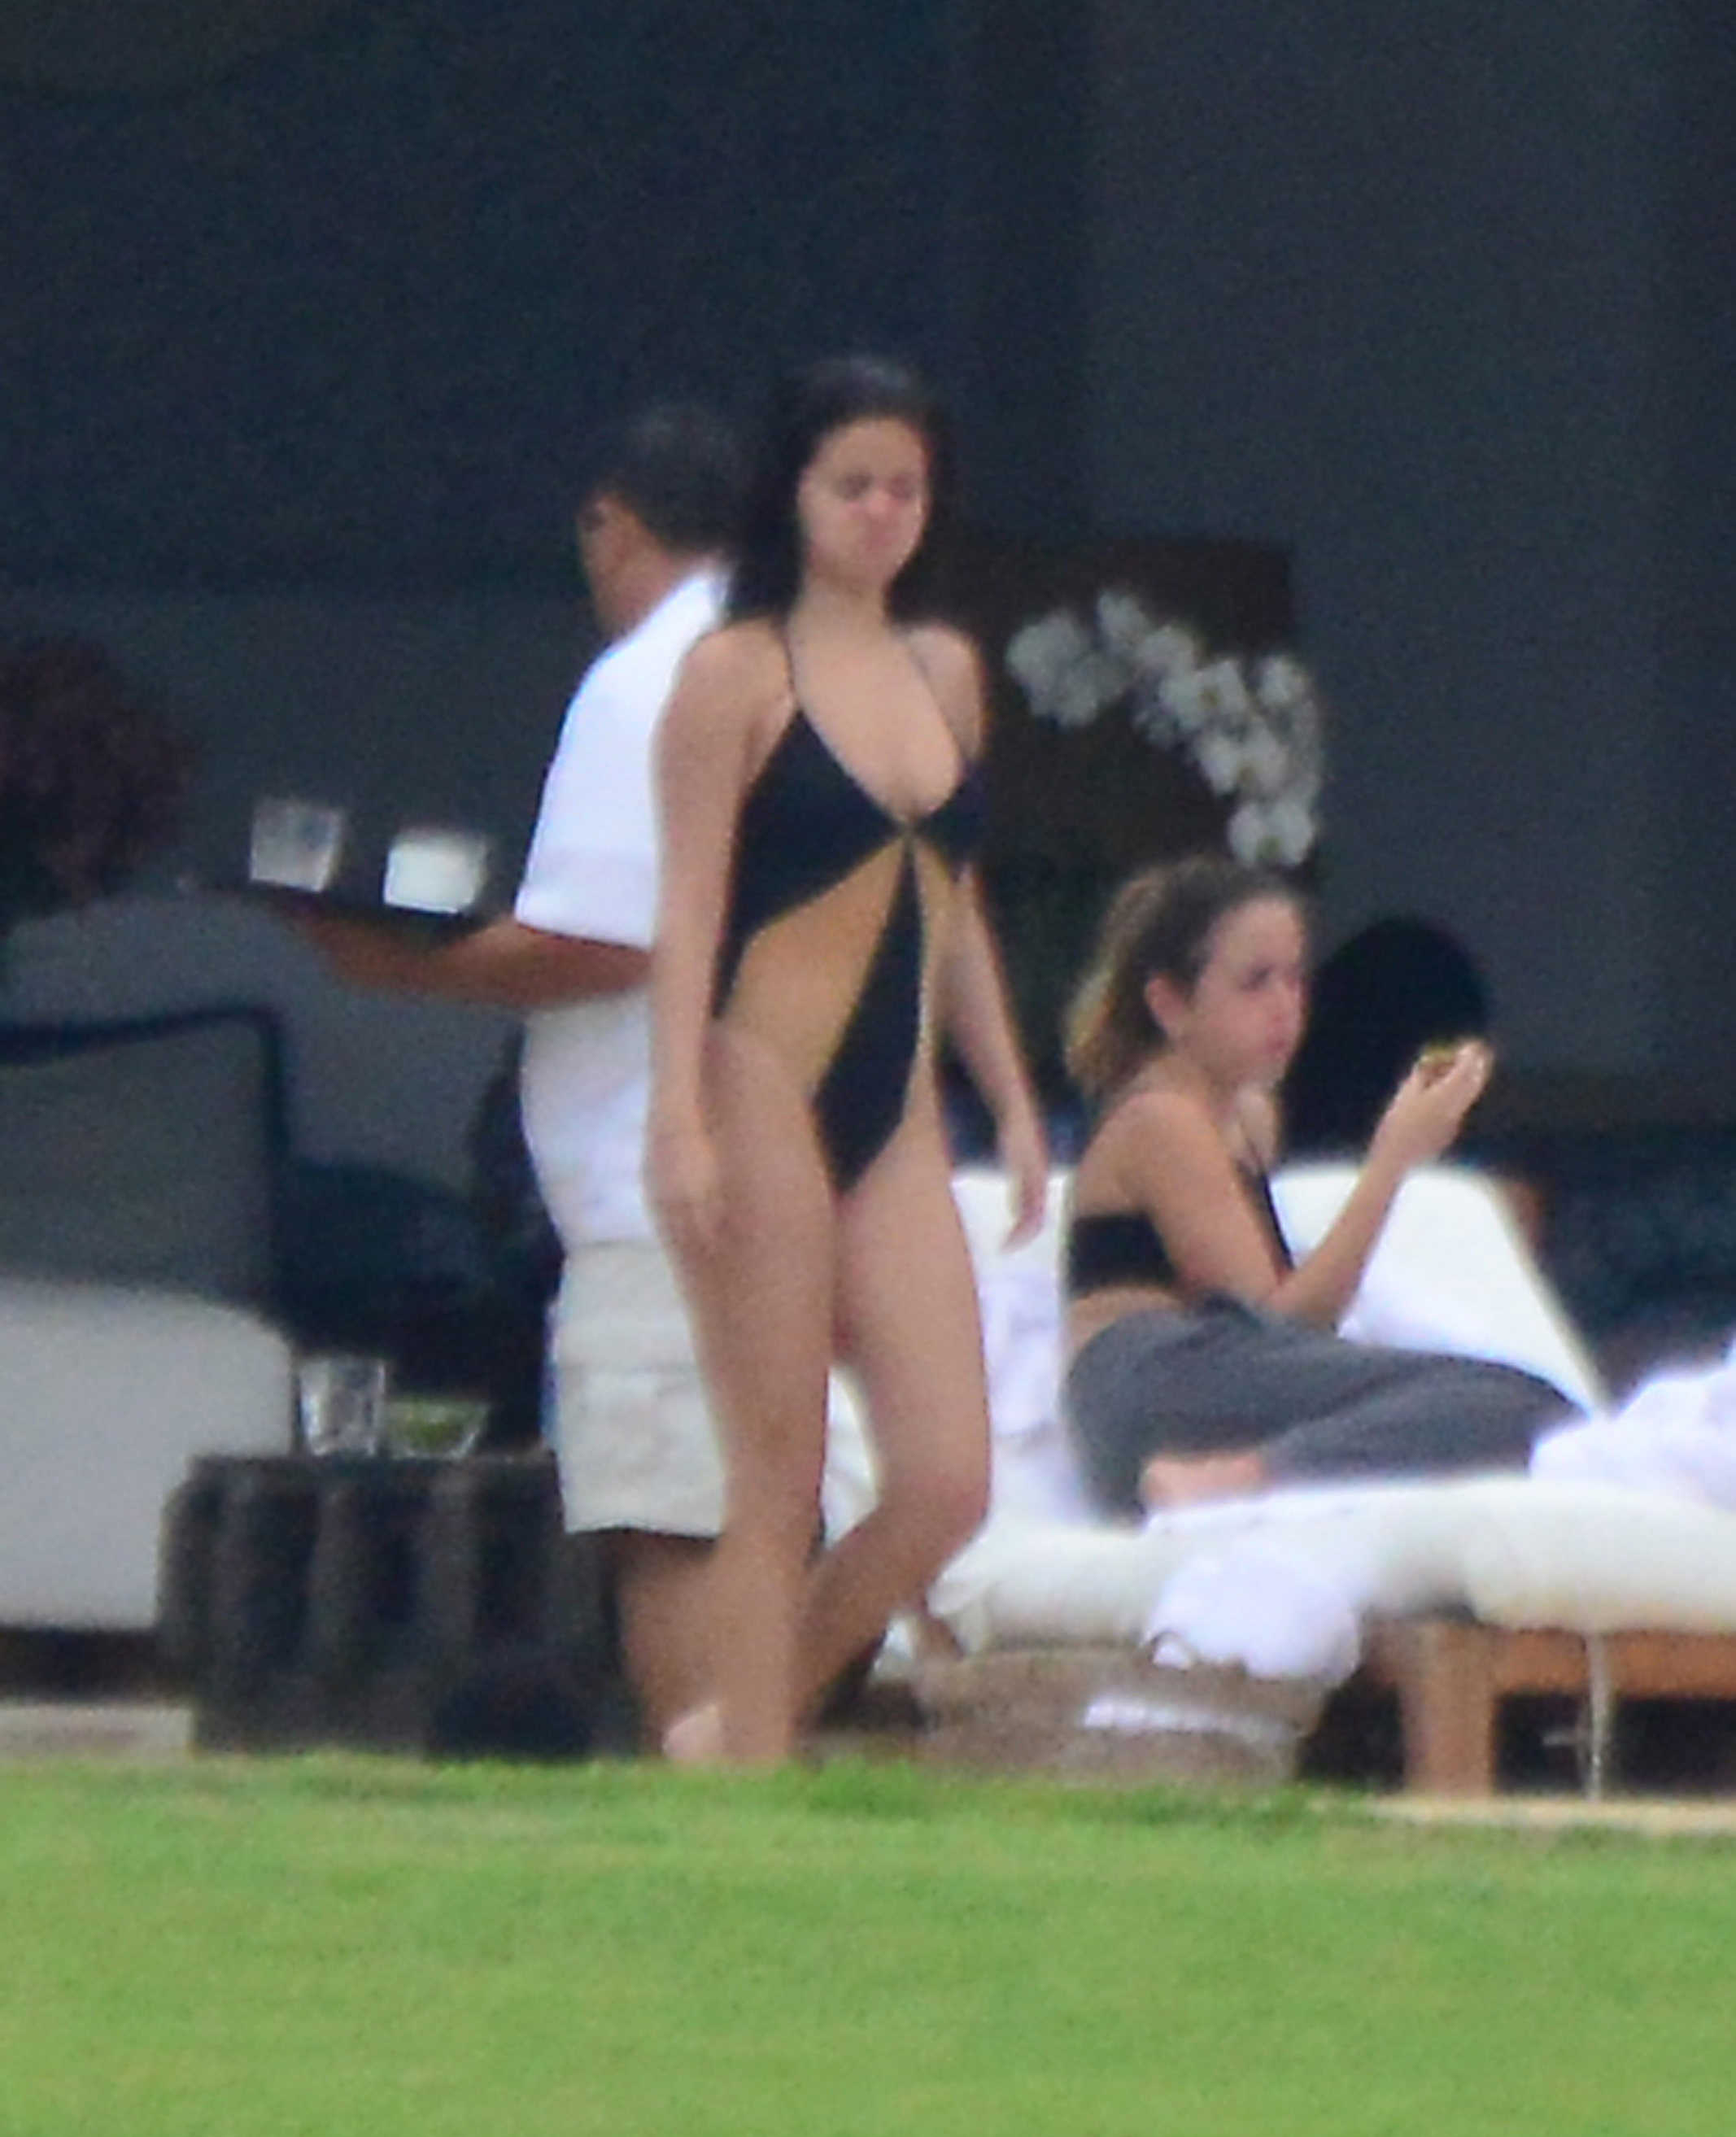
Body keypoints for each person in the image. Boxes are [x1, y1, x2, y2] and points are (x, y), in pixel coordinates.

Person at [291, 403, 743, 1740]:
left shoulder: (647, 680)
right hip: (796, 1154)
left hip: (659, 1175)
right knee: (763, 1504)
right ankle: (758, 1761)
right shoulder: (800, 661)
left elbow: (606, 939)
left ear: (613, 523)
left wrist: (395, 965)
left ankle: (716, 1785)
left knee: (667, 1523)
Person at [646, 355, 1048, 1764]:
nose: (880, 513)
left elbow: (954, 903)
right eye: (852, 486)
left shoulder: (944, 672)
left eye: (905, 490)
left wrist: (1012, 1096)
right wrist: (675, 1119)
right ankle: (753, 1775)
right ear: (794, 494)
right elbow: (688, 909)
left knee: (945, 1478)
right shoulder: (732, 674)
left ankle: (729, 1729)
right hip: (759, 1074)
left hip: (900, 1103)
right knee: (778, 1475)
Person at [1060, 857, 1576, 1517]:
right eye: (1255, 983)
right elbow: (1284, 1322)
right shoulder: (1161, 1120)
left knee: (1532, 1410)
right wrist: (1392, 1160)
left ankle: (1249, 1473)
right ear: (1169, 1004)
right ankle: (1242, 1477)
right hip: (1155, 1385)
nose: (1285, 1008)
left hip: (1206, 1382)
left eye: (1296, 980)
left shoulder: (1241, 1120)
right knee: (1522, 1408)